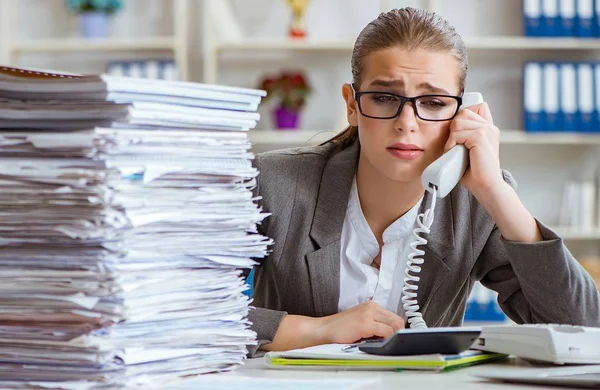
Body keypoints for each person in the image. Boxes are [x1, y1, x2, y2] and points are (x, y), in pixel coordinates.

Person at [246, 7, 600, 357]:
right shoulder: (272, 184)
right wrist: (316, 329)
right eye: (385, 98)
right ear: (352, 105)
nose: (407, 122)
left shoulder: (479, 202)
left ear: (463, 113)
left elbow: (584, 329)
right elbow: (193, 315)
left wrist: (497, 193)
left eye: (432, 102)